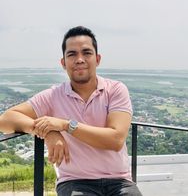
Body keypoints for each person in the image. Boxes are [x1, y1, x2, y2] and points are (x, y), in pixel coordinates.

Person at [0, 26, 142, 196]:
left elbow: (115, 139)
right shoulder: (54, 95)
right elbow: (6, 120)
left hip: (119, 182)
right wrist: (48, 132)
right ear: (63, 63)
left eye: (86, 53)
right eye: (72, 54)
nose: (80, 59)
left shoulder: (115, 90)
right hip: (75, 182)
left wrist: (66, 125)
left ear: (97, 59)